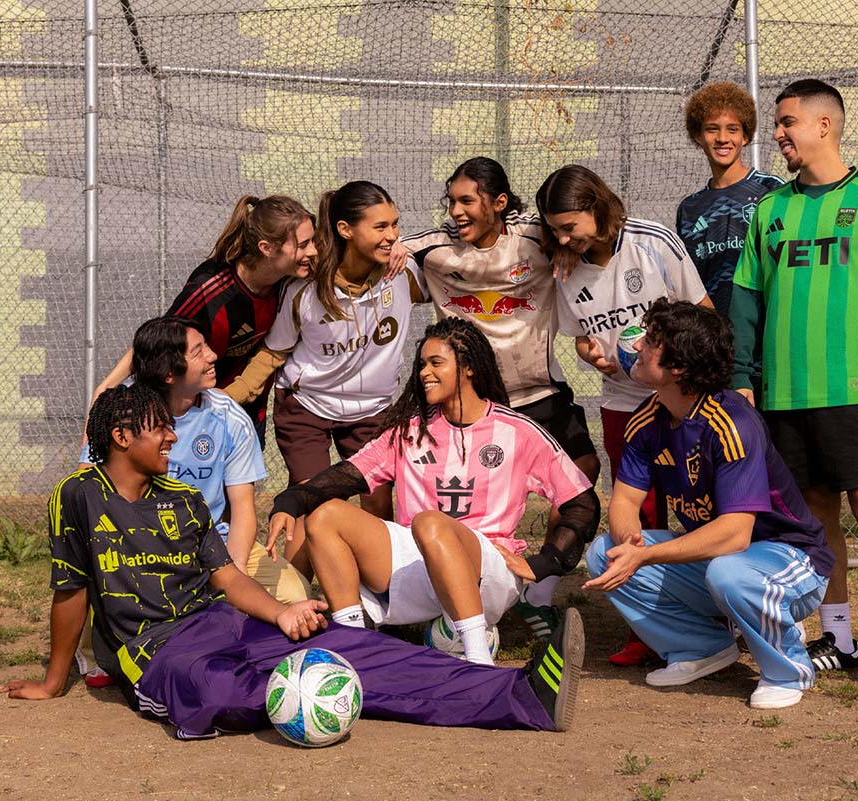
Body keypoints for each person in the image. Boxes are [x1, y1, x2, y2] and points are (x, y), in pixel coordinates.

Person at [0, 382, 586, 737]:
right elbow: (71, 590)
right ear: (123, 436)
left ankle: (520, 696)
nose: (173, 439)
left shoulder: (181, 500)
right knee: (212, 694)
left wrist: (280, 615)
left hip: (225, 622)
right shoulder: (76, 495)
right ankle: (286, 690)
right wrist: (55, 682)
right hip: (156, 651)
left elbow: (226, 576)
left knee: (357, 650)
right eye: (160, 430)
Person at [730, 79, 858, 704]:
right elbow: (748, 299)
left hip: (855, 392)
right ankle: (838, 640)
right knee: (819, 522)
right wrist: (741, 378)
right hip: (786, 397)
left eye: (787, 122)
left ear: (825, 126)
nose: (779, 134)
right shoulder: (771, 210)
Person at [266, 318, 600, 666]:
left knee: (430, 523)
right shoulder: (409, 431)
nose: (425, 372)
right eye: (422, 364)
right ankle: (354, 650)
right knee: (325, 515)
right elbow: (347, 475)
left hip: (485, 569)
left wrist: (544, 563)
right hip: (418, 562)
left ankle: (478, 661)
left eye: (436, 363)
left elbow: (582, 501)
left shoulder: (518, 431)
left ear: (468, 367)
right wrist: (289, 502)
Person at [584, 300, 833, 709]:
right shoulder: (648, 418)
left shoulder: (732, 422)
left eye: (652, 341)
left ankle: (788, 670)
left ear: (680, 367)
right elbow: (625, 500)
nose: (638, 345)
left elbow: (736, 535)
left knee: (729, 571)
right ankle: (700, 649)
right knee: (602, 554)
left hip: (794, 560)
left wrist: (645, 558)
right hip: (725, 560)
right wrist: (630, 547)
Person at [402, 157, 601, 637]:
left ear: (499, 202)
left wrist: (571, 251)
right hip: (472, 404)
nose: (456, 211)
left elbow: (582, 233)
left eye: (467, 200)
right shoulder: (431, 249)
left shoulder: (538, 237)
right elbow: (392, 254)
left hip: (538, 392)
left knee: (583, 476)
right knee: (453, 498)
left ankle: (538, 592)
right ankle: (439, 593)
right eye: (451, 201)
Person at [76, 317, 313, 688]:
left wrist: (231, 579)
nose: (214, 355)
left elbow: (244, 512)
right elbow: (93, 498)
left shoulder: (228, 417)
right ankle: (97, 653)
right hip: (137, 546)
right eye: (199, 350)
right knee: (105, 598)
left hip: (212, 544)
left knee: (294, 593)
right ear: (170, 372)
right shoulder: (122, 414)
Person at [536, 163, 711, 667]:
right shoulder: (565, 269)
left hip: (681, 400)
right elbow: (583, 335)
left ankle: (717, 612)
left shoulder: (653, 241)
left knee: (701, 506)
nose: (562, 237)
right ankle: (650, 627)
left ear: (597, 206)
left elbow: (704, 311)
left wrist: (687, 373)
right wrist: (592, 352)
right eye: (554, 229)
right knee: (639, 510)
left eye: (570, 226)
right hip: (622, 402)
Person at [233, 181, 427, 576]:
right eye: (380, 227)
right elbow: (275, 352)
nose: (392, 235)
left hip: (373, 409)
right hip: (307, 407)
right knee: (311, 501)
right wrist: (227, 396)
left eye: (395, 225)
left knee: (377, 498)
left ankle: (385, 595)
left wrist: (413, 250)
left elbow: (453, 270)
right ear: (344, 230)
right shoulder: (304, 288)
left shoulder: (404, 271)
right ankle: (299, 598)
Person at [89, 195, 317, 444]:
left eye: (313, 241)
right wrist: (108, 385)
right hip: (200, 408)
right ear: (266, 248)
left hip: (246, 408)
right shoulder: (211, 288)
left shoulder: (291, 280)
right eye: (303, 244)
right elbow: (160, 340)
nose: (313, 251)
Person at [675, 81, 784, 313]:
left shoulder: (772, 190)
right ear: (698, 136)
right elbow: (689, 280)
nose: (722, 138)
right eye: (712, 129)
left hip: (765, 329)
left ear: (745, 136)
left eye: (732, 129)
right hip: (713, 336)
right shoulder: (690, 208)